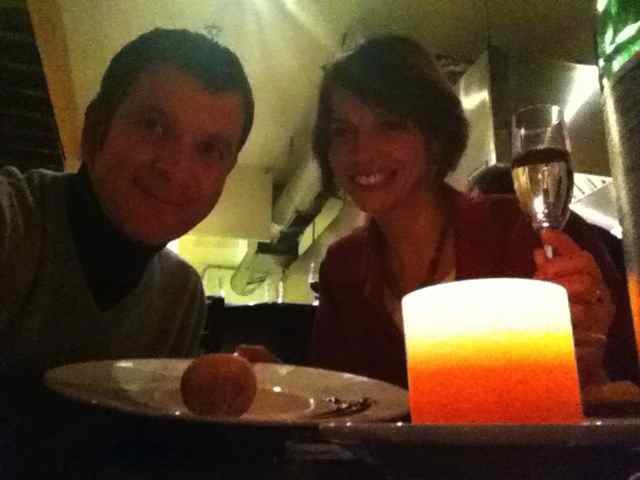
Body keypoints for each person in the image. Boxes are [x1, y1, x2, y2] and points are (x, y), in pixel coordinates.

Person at [309, 34, 635, 389]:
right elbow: (329, 397)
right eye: (342, 132)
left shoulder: (524, 231)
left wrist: (591, 358)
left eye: (390, 125)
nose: (362, 152)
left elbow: (622, 379)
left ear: (435, 136)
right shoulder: (342, 269)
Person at [0, 28, 253, 474]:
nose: (176, 169)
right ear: (97, 131)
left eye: (210, 150)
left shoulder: (181, 296)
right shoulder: (15, 223)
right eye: (154, 127)